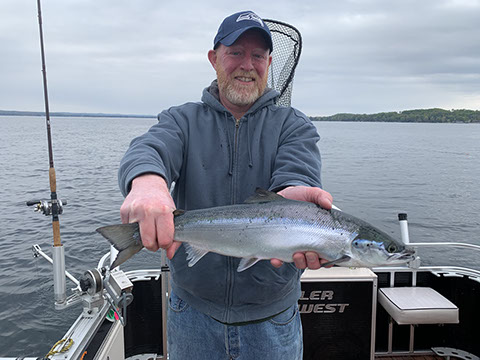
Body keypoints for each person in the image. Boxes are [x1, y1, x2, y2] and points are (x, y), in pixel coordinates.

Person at [118, 10, 333, 360]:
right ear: (213, 58)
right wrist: (147, 182)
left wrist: (292, 200)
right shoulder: (181, 120)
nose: (247, 65)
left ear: (269, 62)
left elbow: (298, 175)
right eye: (235, 52)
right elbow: (149, 147)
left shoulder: (293, 125)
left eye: (258, 56)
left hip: (272, 319)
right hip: (193, 315)